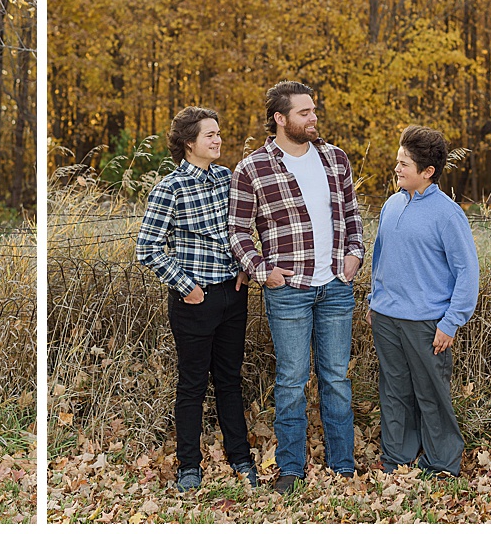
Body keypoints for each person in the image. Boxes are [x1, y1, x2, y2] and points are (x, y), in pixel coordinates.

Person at [228, 81, 364, 494]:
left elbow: (353, 215)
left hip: (336, 287)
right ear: (280, 118)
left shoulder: (335, 158)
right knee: (291, 380)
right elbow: (237, 231)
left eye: (314, 110)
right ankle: (291, 469)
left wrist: (355, 254)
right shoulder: (252, 167)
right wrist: (261, 269)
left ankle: (343, 465)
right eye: (304, 112)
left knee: (337, 378)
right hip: (288, 290)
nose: (313, 117)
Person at [136, 107, 256, 493]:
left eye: (219, 133)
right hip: (193, 300)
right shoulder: (169, 188)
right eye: (210, 135)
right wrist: (185, 286)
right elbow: (149, 247)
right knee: (191, 384)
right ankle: (190, 465)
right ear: (189, 143)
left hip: (233, 294)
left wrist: (244, 265)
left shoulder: (228, 179)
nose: (218, 140)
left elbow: (241, 228)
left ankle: (241, 458)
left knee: (230, 381)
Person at [367, 125, 479, 478]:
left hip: (427, 323)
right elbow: (380, 257)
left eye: (404, 164)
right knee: (395, 390)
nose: (397, 169)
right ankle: (397, 457)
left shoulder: (448, 214)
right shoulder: (392, 204)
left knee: (431, 394)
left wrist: (451, 322)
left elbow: (467, 273)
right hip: (386, 318)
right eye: (397, 161)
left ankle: (442, 463)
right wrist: (375, 300)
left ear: (427, 172)